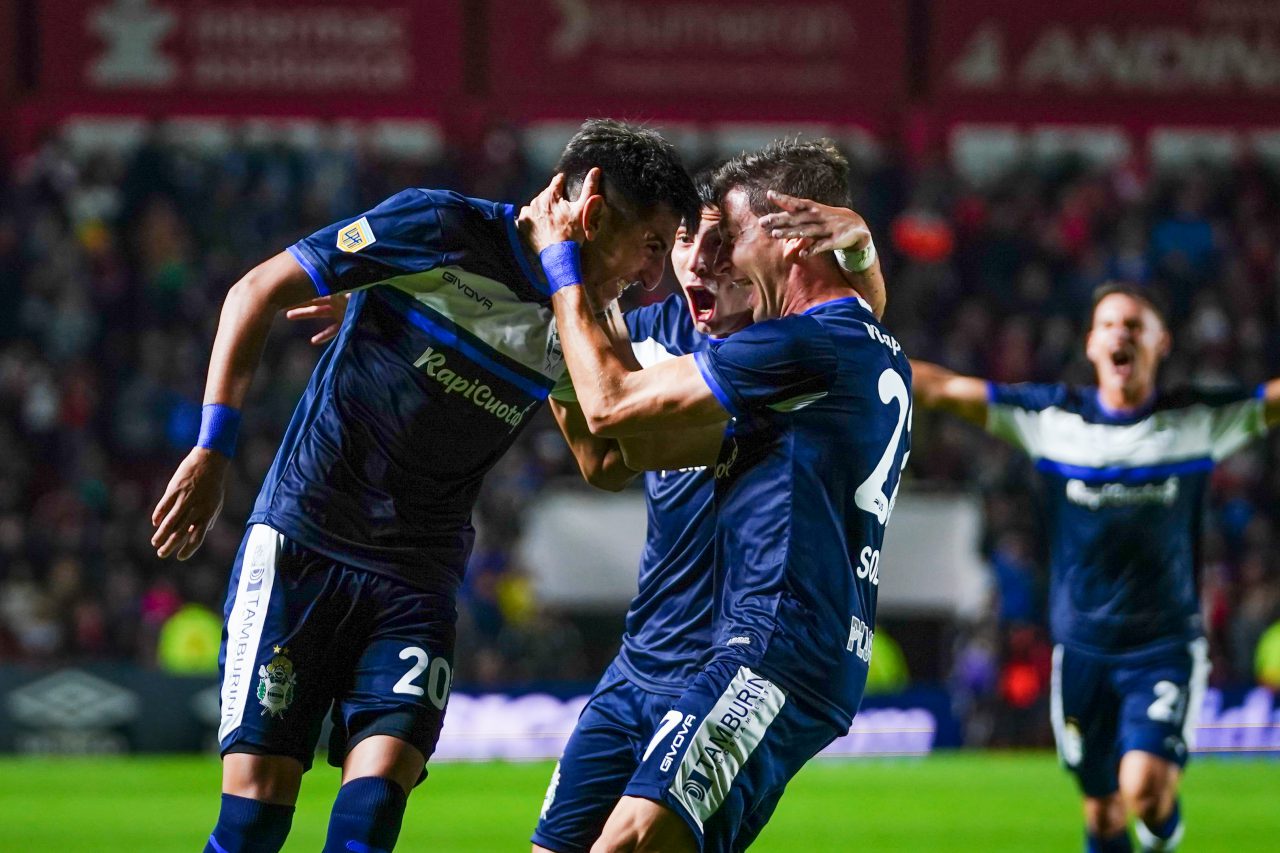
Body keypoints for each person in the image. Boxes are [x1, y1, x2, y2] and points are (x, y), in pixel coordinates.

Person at [148, 119, 699, 853]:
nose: (654, 275)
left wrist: (700, 404)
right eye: (653, 244)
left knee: (374, 810)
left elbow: (604, 465)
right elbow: (255, 291)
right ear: (593, 206)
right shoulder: (439, 227)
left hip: (418, 579)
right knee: (254, 818)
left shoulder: (582, 319)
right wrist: (213, 450)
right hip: (307, 542)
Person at [527, 139, 909, 852]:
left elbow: (610, 404)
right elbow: (624, 452)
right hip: (667, 655)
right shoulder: (828, 341)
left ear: (791, 237)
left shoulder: (790, 344)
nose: (710, 258)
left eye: (727, 236)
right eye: (689, 240)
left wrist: (562, 270)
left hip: (769, 642)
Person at [909, 284, 1280, 853]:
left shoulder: (1195, 420)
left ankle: (1160, 829)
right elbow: (946, 390)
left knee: (1144, 790)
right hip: (1082, 650)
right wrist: (857, 353)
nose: (1120, 334)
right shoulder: (1052, 419)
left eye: (1134, 325)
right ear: (1090, 344)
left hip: (1163, 647)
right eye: (1108, 324)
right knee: (1103, 813)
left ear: (1161, 343)